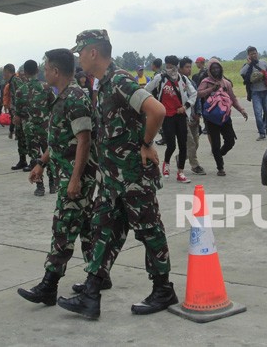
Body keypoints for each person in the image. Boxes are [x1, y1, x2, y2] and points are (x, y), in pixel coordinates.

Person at [57, 29, 177, 318]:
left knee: (149, 231)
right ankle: (91, 293)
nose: (78, 59)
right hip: (113, 180)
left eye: (80, 53)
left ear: (93, 52)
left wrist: (147, 144)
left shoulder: (120, 80)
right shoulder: (103, 84)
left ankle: (163, 289)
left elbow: (157, 110)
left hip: (133, 177)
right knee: (103, 230)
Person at [18, 49, 97, 306]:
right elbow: (61, 138)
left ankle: (48, 286)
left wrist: (75, 179)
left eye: (46, 67)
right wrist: (41, 162)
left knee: (63, 228)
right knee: (85, 227)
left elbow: (84, 141)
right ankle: (99, 275)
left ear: (55, 70)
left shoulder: (74, 97)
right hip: (68, 171)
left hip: (77, 175)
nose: (43, 72)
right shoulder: (62, 96)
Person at [145, 55, 197, 183]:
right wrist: (153, 106)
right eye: (167, 66)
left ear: (176, 66)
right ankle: (166, 163)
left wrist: (185, 107)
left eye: (171, 66)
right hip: (167, 116)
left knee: (183, 145)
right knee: (171, 145)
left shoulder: (183, 79)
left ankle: (181, 173)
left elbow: (194, 93)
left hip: (180, 115)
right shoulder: (160, 78)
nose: (169, 69)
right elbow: (146, 89)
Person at [197, 57, 249, 176]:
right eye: (213, 68)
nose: (216, 70)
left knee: (230, 141)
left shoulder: (226, 83)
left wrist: (241, 110)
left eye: (217, 67)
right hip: (211, 118)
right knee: (215, 143)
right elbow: (198, 94)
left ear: (221, 69)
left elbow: (233, 98)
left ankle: (219, 154)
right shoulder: (206, 81)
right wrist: (211, 89)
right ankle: (220, 167)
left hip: (225, 117)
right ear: (209, 70)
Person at [14, 59, 56, 195]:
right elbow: (55, 107)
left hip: (30, 130)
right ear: (38, 71)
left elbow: (18, 115)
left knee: (34, 157)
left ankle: (40, 186)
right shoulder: (46, 87)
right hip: (45, 127)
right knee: (48, 154)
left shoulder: (20, 91)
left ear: (24, 73)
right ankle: (53, 183)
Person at [179, 56, 207, 175]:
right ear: (180, 68)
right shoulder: (177, 83)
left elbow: (197, 99)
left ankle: (180, 158)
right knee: (190, 142)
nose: (189, 69)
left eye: (190, 67)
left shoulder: (192, 83)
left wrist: (198, 113)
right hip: (183, 117)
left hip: (193, 116)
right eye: (186, 67)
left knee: (195, 142)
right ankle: (195, 165)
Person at [239, 46, 267, 141]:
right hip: (255, 93)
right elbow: (241, 73)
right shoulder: (247, 65)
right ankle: (262, 133)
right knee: (258, 113)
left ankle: (266, 126)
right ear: (248, 56)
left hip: (266, 91)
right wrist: (249, 64)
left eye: (255, 53)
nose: (254, 55)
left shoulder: (264, 63)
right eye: (251, 54)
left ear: (257, 53)